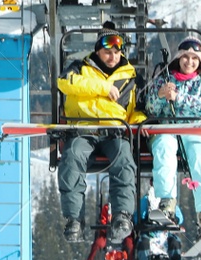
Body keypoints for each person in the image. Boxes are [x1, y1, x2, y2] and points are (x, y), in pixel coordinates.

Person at [56, 31, 142, 244]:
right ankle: (74, 219)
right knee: (72, 157)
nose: (112, 57)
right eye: (107, 52)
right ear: (97, 52)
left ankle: (122, 216)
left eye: (115, 52)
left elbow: (140, 105)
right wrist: (104, 88)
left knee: (123, 160)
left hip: (115, 130)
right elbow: (65, 83)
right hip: (84, 129)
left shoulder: (130, 76)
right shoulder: (80, 68)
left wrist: (139, 122)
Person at [146, 37, 201, 234]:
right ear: (179, 58)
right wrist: (161, 96)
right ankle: (167, 202)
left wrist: (179, 98)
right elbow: (149, 106)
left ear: (200, 61)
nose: (189, 62)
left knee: (200, 157)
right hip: (167, 128)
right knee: (164, 149)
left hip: (193, 129)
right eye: (185, 57)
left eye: (194, 58)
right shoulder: (164, 78)